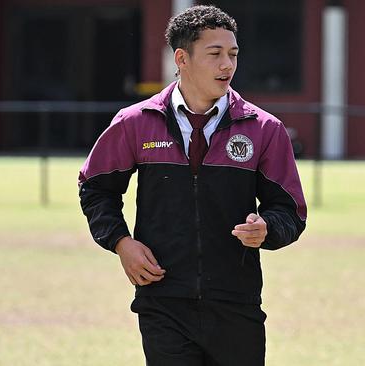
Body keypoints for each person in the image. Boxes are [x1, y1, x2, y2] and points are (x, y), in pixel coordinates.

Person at [78, 5, 306, 365]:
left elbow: (290, 211)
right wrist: (121, 243)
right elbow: (95, 189)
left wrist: (267, 229)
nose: (227, 65)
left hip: (236, 303)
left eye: (233, 54)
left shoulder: (264, 129)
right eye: (215, 54)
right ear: (182, 58)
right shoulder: (135, 122)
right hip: (162, 300)